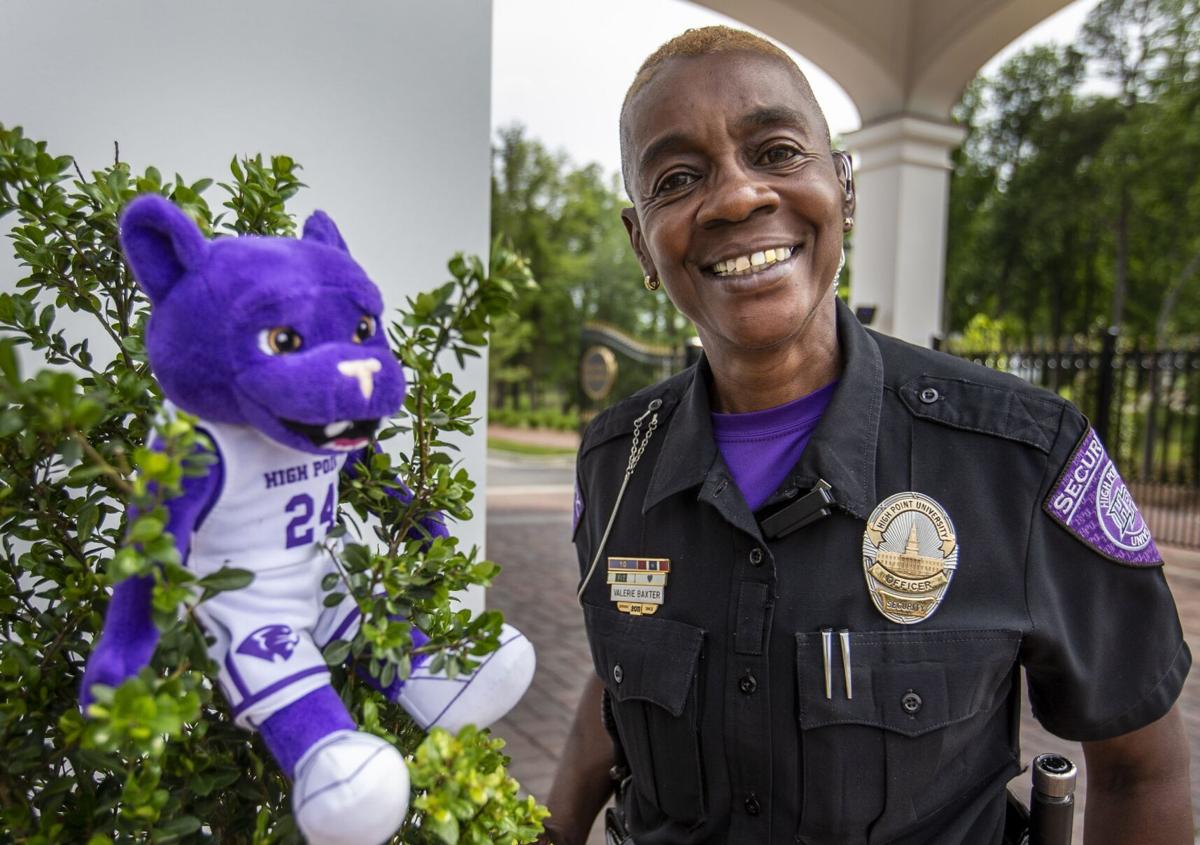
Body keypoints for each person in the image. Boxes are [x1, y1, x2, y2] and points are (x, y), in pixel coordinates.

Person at [539, 25, 1192, 845]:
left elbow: (1142, 764)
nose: (738, 197)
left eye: (776, 151)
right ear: (642, 241)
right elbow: (620, 671)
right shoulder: (614, 463)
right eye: (678, 177)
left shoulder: (1021, 460)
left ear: (844, 189)